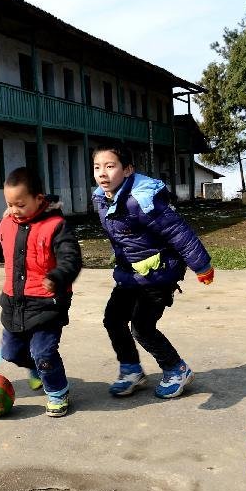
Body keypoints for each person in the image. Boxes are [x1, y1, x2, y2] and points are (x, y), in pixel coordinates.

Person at [91, 143, 213, 399]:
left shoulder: (141, 200)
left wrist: (200, 265)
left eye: (110, 166)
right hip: (129, 273)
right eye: (97, 167)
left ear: (127, 170)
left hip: (159, 272)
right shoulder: (103, 199)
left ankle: (177, 369)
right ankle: (131, 370)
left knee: (142, 327)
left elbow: (177, 231)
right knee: (113, 319)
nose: (102, 173)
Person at [0, 167, 82, 417]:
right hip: (15, 302)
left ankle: (58, 391)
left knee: (43, 351)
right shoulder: (9, 223)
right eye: (9, 204)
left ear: (39, 199)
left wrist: (57, 277)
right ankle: (38, 369)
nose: (14, 210)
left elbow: (71, 258)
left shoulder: (55, 226)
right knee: (11, 352)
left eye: (20, 204)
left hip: (47, 304)